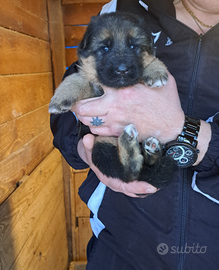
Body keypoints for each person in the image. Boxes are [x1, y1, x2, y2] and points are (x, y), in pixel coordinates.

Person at [50, 0, 219, 269]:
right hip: (119, 246)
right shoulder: (121, 6)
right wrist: (85, 145)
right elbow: (76, 89)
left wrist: (181, 130)